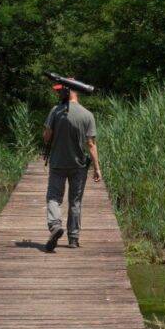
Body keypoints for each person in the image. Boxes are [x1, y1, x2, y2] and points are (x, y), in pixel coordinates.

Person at [42, 81, 101, 252]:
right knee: (75, 202)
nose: (58, 94)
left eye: (60, 92)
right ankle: (73, 239)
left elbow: (46, 137)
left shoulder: (55, 111)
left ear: (69, 92)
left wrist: (48, 132)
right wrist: (97, 168)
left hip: (58, 163)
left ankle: (55, 226)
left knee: (53, 197)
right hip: (79, 165)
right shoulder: (87, 115)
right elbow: (90, 144)